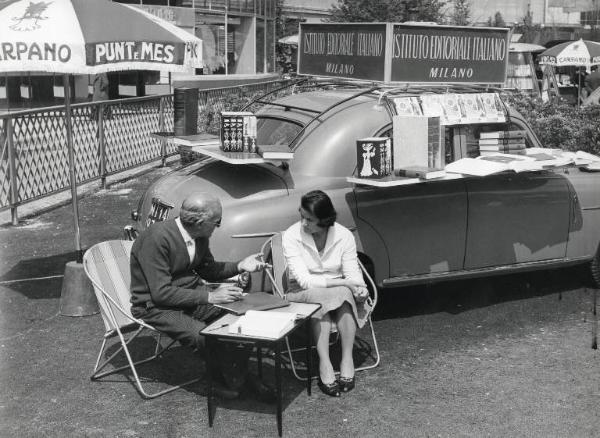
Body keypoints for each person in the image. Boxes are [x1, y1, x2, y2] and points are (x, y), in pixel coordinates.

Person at [130, 192, 273, 401]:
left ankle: (234, 377)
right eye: (217, 222)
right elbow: (161, 293)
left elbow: (209, 270)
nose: (218, 226)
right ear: (200, 221)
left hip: (191, 295)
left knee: (240, 319)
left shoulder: (200, 236)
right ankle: (230, 380)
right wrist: (211, 298)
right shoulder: (157, 238)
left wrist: (240, 265)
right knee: (203, 335)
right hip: (154, 306)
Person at [282, 190, 371, 397]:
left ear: (325, 220)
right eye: (301, 215)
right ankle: (325, 362)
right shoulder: (292, 235)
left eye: (309, 219)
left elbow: (352, 273)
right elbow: (304, 281)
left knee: (343, 295)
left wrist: (360, 288)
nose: (303, 223)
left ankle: (346, 358)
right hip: (301, 291)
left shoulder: (343, 236)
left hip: (339, 290)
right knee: (330, 296)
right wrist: (347, 283)